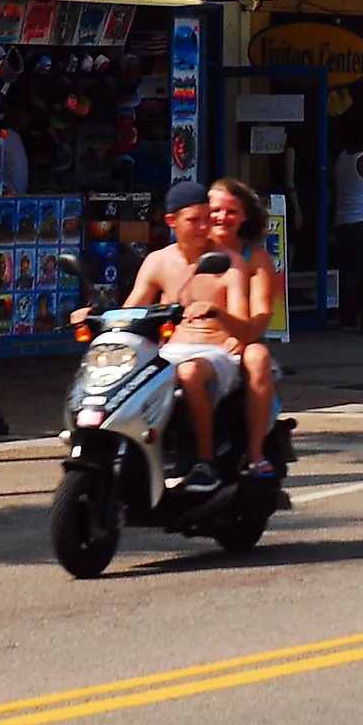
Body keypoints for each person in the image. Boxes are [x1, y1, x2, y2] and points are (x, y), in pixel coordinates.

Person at [119, 185, 250, 492]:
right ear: (171, 222)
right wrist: (94, 315)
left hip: (216, 353)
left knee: (188, 372)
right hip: (172, 350)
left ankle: (205, 461)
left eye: (208, 218)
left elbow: (243, 323)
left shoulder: (228, 262)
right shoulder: (157, 261)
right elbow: (131, 309)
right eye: (194, 220)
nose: (205, 227)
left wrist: (217, 312)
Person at [202, 177, 282, 479]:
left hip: (241, 337)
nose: (222, 218)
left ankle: (256, 453)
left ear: (245, 216)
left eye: (231, 211)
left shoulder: (256, 257)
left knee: (258, 359)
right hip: (191, 340)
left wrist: (243, 335)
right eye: (215, 211)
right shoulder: (190, 251)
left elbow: (262, 311)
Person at [331, 133, 363, 332]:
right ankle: (356, 317)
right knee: (361, 271)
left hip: (341, 221)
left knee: (346, 271)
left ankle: (346, 318)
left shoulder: (342, 158)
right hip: (360, 222)